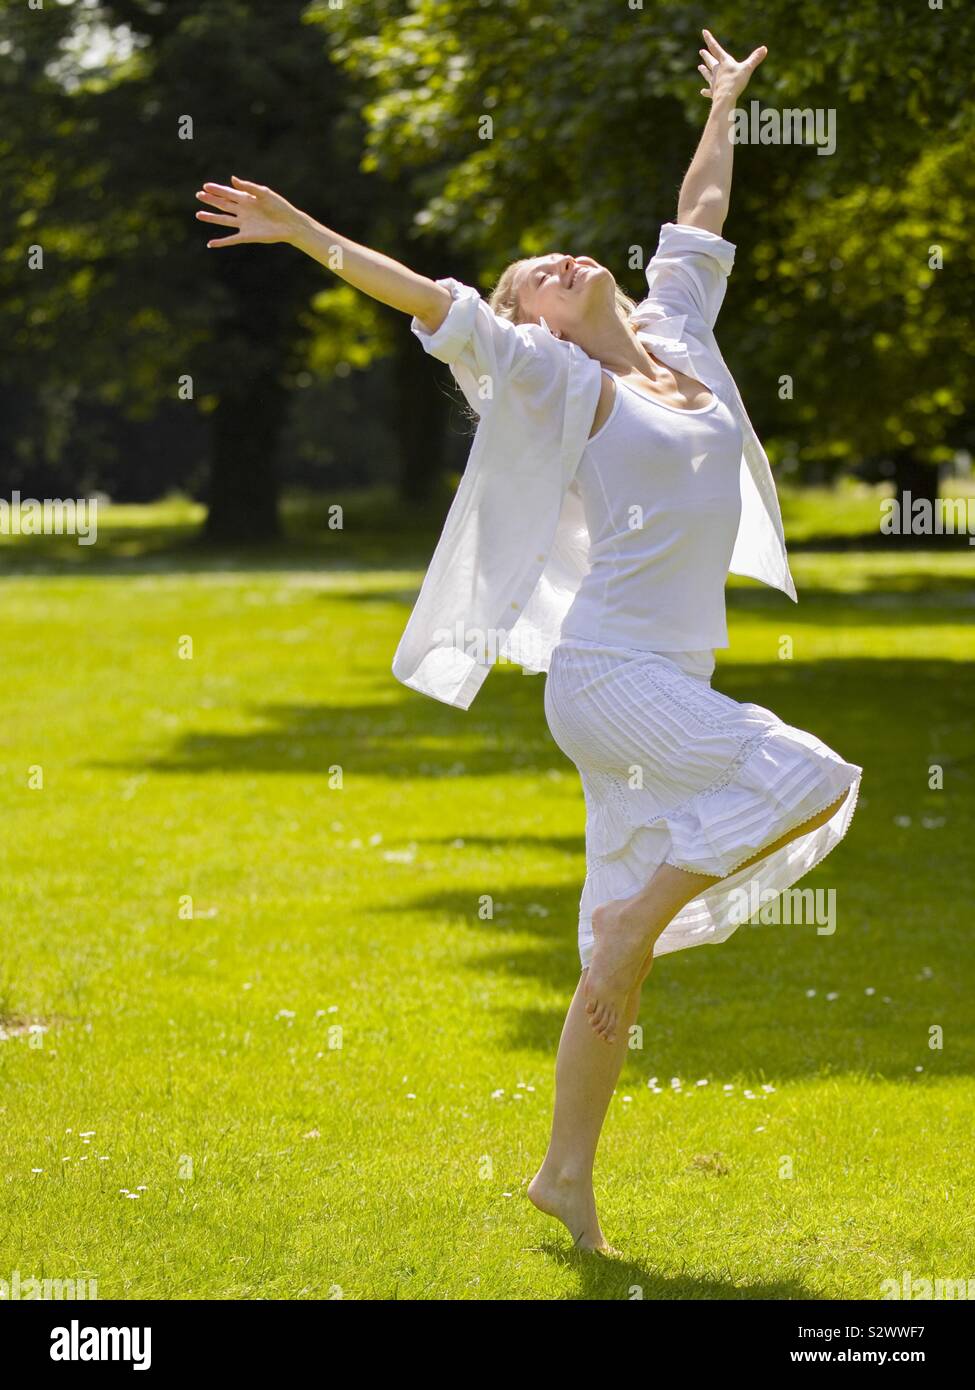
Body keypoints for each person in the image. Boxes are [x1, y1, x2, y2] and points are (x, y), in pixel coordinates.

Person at [195, 30, 862, 1253]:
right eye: (534, 280)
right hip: (610, 678)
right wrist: (308, 236)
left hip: (669, 681)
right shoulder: (557, 383)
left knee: (615, 971)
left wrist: (723, 105)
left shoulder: (678, 342)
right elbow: (432, 298)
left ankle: (565, 1176)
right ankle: (640, 913)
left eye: (555, 261)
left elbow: (701, 213)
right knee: (808, 774)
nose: (556, 264)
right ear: (536, 331)